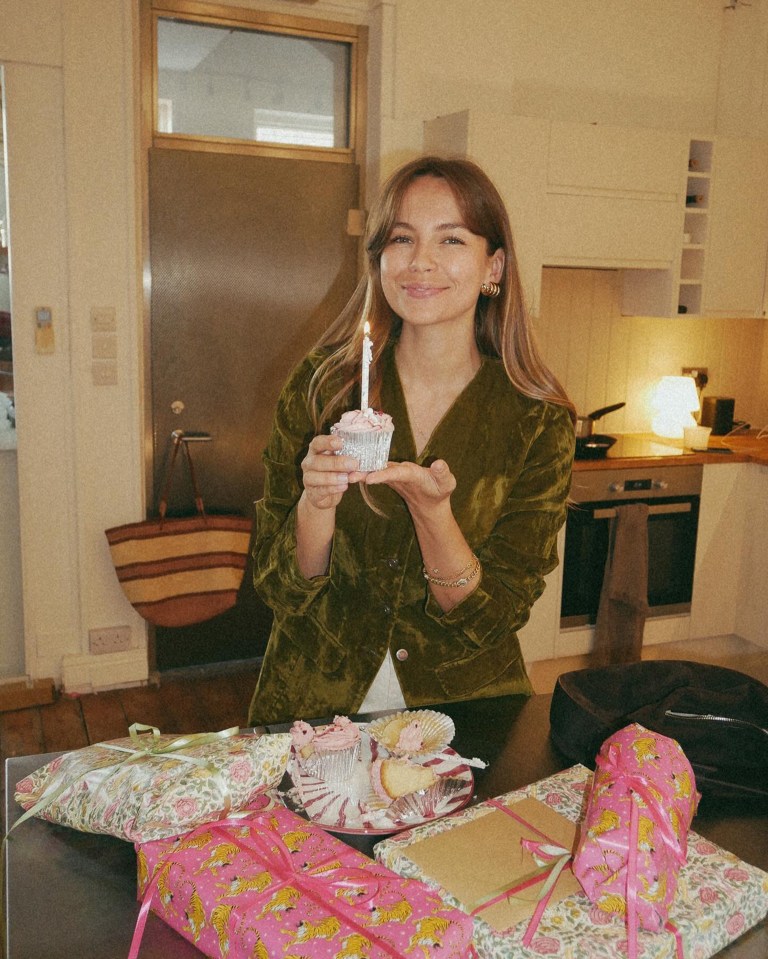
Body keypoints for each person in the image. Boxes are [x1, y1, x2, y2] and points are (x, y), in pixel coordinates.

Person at [247, 155, 575, 726]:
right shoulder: (323, 386)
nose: (420, 262)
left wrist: (433, 516)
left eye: (450, 240)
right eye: (402, 238)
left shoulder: (536, 421)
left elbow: (489, 619)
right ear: (379, 259)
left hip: (463, 716)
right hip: (313, 710)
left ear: (492, 265)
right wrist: (315, 507)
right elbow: (279, 589)